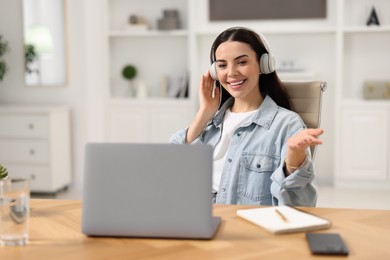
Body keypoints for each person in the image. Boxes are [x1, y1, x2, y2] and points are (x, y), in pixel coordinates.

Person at [170, 27, 323, 206]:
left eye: (241, 62)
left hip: (243, 226)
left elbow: (302, 204)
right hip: (194, 218)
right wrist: (204, 112)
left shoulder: (286, 125)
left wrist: (294, 160)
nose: (231, 72)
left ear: (264, 64)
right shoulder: (211, 122)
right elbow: (172, 165)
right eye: (222, 65)